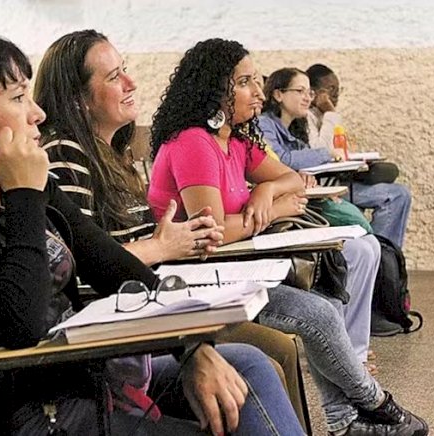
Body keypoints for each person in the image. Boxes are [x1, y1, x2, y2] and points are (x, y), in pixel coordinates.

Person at [0, 25, 302, 436]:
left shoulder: (26, 186)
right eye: (19, 98)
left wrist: (191, 349)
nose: (37, 112)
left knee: (245, 365)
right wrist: (23, 194)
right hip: (15, 414)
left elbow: (114, 267)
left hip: (79, 383)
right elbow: (20, 326)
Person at [147, 37, 429, 436]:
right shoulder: (194, 141)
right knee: (320, 313)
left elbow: (292, 177)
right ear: (214, 90)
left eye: (256, 80)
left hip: (238, 267)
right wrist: (276, 209)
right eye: (245, 82)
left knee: (329, 298)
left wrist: (264, 191)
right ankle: (376, 402)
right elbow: (209, 232)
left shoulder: (236, 140)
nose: (258, 92)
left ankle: (344, 420)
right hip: (196, 280)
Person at [32, 29, 310, 430]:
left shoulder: (112, 155)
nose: (131, 83)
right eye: (114, 77)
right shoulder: (66, 156)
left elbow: (287, 179)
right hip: (127, 325)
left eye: (125, 70)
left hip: (161, 298)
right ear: (78, 97)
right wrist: (164, 246)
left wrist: (266, 193)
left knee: (275, 350)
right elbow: (80, 264)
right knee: (265, 355)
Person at [257, 67, 382, 370]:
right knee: (359, 250)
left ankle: (354, 349)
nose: (307, 97)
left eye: (309, 92)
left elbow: (293, 166)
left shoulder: (294, 129)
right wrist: (313, 164)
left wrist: (300, 176)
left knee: (370, 246)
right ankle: (350, 353)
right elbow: (287, 163)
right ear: (278, 94)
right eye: (299, 91)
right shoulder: (262, 126)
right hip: (281, 219)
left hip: (297, 208)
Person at [304, 63, 412, 249]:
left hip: (337, 182)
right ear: (313, 92)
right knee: (395, 195)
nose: (336, 95)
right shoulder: (307, 116)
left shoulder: (323, 117)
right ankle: (383, 257)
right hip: (324, 188)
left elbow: (337, 151)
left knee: (399, 192)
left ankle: (388, 258)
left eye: (338, 90)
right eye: (330, 90)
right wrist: (330, 113)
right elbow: (319, 150)